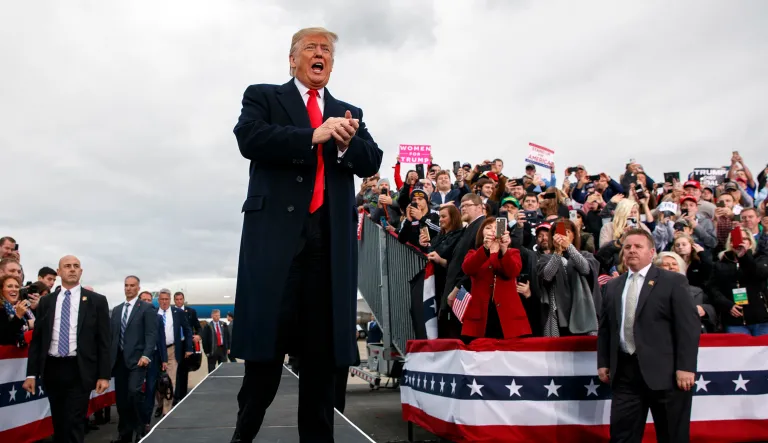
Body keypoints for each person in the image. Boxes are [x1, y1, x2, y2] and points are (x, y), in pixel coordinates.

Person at [229, 26, 382, 442]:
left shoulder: (348, 112)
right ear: (293, 58)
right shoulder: (263, 96)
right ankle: (243, 435)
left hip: (327, 248)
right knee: (264, 364)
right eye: (312, 48)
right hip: (277, 245)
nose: (321, 54)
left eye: (328, 50)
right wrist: (310, 135)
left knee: (321, 365)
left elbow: (371, 161)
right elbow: (249, 137)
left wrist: (347, 145)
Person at [597, 229, 700, 442]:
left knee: (672, 436)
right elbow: (606, 328)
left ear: (651, 252)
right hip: (625, 373)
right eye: (627, 247)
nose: (631, 250)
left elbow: (688, 327)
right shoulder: (613, 286)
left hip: (668, 375)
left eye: (638, 246)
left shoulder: (673, 281)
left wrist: (686, 367)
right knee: (622, 436)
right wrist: (603, 362)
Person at [23, 255, 111, 443]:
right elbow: (38, 340)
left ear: (81, 271)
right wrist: (31, 374)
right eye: (67, 266)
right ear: (59, 271)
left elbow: (104, 341)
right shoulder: (47, 302)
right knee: (59, 422)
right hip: (52, 369)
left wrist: (104, 375)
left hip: (79, 369)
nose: (72, 269)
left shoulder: (97, 301)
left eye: (76, 266)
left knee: (74, 421)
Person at [110, 275, 157, 442]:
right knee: (121, 400)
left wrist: (146, 355)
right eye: (126, 285)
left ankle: (140, 427)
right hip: (119, 361)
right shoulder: (116, 310)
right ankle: (124, 434)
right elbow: (113, 336)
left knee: (134, 393)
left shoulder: (146, 308)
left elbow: (151, 334)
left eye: (132, 286)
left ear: (138, 288)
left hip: (138, 360)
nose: (128, 288)